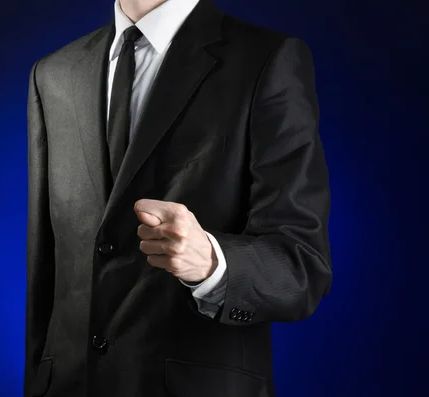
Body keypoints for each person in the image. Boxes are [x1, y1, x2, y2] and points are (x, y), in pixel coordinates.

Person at [25, 0, 332, 395]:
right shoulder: (52, 74)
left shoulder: (265, 59)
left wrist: (212, 263)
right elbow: (45, 273)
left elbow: (303, 267)